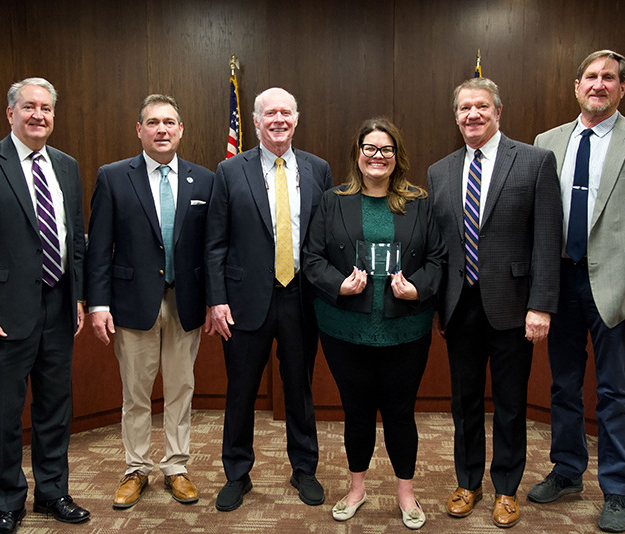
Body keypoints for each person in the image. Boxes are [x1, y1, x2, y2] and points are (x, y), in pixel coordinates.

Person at [527, 50, 625, 533]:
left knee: (614, 392)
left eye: (608, 78)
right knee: (563, 385)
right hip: (561, 280)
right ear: (576, 86)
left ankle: (616, 489)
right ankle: (568, 470)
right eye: (590, 77)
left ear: (622, 88)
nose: (599, 84)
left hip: (616, 285)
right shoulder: (546, 142)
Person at [0, 78, 90, 533]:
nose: (38, 116)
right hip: (1, 314)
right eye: (29, 107)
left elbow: (75, 239)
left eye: (46, 108)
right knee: (4, 413)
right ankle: (7, 501)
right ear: (11, 113)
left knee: (54, 410)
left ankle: (53, 492)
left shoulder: (67, 166)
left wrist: (79, 296)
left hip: (58, 307)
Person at [428, 77, 562, 528]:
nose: (472, 115)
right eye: (464, 108)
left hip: (512, 306)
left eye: (481, 107)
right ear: (456, 116)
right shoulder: (440, 170)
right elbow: (439, 247)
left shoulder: (535, 161)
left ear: (498, 112)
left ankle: (506, 488)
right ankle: (468, 481)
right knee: (464, 403)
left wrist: (541, 305)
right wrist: (435, 307)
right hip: (458, 307)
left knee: (509, 404)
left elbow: (547, 240)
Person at [302, 118, 446, 530]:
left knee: (401, 414)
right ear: (358, 155)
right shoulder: (333, 200)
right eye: (369, 148)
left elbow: (439, 260)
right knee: (357, 412)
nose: (377, 156)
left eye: (385, 149)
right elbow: (312, 258)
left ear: (396, 156)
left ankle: (406, 492)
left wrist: (418, 290)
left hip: (406, 329)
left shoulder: (419, 201)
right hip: (345, 329)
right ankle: (356, 488)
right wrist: (339, 285)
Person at [205, 87, 333, 511]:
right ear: (256, 121)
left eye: (286, 112)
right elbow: (215, 243)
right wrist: (217, 299)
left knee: (299, 388)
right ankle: (237, 474)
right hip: (244, 302)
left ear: (296, 119)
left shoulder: (318, 169)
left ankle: (304, 469)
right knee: (241, 391)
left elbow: (328, 238)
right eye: (269, 113)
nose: (278, 119)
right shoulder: (229, 170)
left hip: (301, 298)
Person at [85, 95, 214, 508]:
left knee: (181, 389)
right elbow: (99, 247)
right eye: (153, 122)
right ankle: (136, 468)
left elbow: (213, 248)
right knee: (136, 393)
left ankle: (176, 466)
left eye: (169, 122)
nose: (162, 129)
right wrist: (98, 305)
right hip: (132, 303)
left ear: (181, 130)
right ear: (139, 130)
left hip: (186, 302)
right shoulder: (113, 177)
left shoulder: (205, 180)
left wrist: (215, 301)